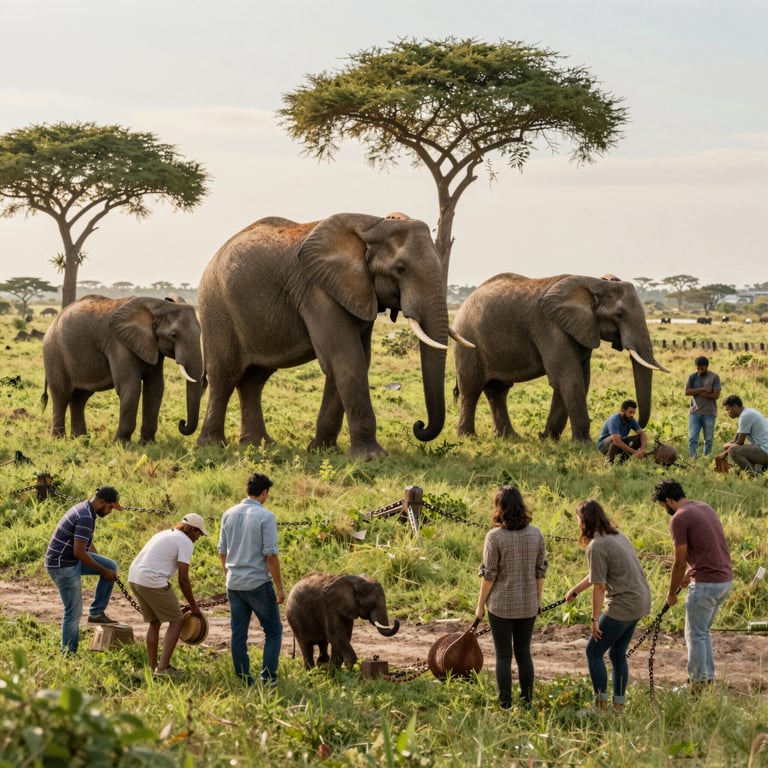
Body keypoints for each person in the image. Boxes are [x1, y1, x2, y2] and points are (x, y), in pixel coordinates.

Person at [565, 499, 651, 712]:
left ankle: (600, 705)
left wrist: (594, 620)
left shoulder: (596, 545)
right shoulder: (617, 535)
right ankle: (618, 706)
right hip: (640, 600)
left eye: (578, 520)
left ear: (584, 521)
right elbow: (597, 573)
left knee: (593, 651)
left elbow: (600, 586)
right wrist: (576, 590)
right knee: (617, 653)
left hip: (623, 603)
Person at [651, 479, 732, 691]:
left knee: (694, 635)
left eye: (663, 505)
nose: (665, 510)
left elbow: (678, 561)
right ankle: (707, 681)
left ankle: (696, 686)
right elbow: (708, 547)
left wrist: (671, 593)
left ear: (669, 500)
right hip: (724, 581)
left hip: (706, 584)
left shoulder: (679, 518)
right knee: (702, 633)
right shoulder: (703, 507)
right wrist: (690, 571)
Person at [475, 486, 548, 709]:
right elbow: (540, 571)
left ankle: (505, 703)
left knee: (503, 656)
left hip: (500, 605)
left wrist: (479, 606)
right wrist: (537, 599)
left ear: (500, 508)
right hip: (527, 604)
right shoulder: (535, 534)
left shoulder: (494, 537)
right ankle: (527, 702)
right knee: (524, 654)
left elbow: (489, 575)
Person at [218, 472, 285, 686]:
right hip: (257, 582)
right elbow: (270, 555)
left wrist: (228, 573)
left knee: (239, 633)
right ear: (264, 493)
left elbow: (222, 551)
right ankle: (268, 677)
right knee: (273, 630)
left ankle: (244, 678)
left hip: (234, 582)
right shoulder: (266, 517)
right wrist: (280, 588)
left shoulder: (228, 514)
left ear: (246, 490)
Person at [128, 513, 208, 677]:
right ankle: (163, 668)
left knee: (154, 622)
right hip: (151, 580)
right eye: (199, 533)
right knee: (177, 620)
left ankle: (152, 666)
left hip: (135, 578)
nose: (199, 537)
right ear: (192, 530)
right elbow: (183, 579)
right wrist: (194, 607)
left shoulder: (165, 533)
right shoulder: (185, 542)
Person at [45, 486, 122, 654]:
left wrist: (100, 563)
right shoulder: (86, 516)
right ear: (102, 502)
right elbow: (78, 552)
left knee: (111, 566)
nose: (110, 512)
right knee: (73, 612)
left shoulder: (87, 509)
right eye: (110, 507)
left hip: (70, 559)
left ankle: (96, 613)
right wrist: (102, 570)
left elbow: (85, 543)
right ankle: (69, 654)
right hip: (62, 565)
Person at [716, 394, 768, 474]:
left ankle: (753, 473)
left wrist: (724, 454)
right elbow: (736, 440)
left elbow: (740, 442)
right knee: (729, 447)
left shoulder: (745, 416)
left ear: (735, 407)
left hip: (765, 451)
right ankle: (760, 469)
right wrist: (726, 446)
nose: (727, 413)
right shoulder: (748, 412)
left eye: (728, 410)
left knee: (733, 451)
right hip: (763, 449)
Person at [685, 356, 721, 457]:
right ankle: (693, 458)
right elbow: (687, 391)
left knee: (708, 439)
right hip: (694, 412)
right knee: (692, 438)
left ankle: (706, 457)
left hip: (709, 412)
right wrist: (703, 389)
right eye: (698, 368)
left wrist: (696, 392)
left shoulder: (714, 377)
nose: (700, 371)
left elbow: (716, 395)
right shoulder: (692, 377)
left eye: (702, 368)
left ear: (707, 366)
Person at [597, 399, 648, 463]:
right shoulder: (614, 420)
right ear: (623, 411)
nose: (632, 414)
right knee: (618, 438)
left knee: (638, 438)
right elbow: (617, 441)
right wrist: (635, 452)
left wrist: (642, 449)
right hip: (604, 446)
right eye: (630, 412)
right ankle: (609, 462)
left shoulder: (631, 419)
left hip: (618, 443)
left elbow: (642, 434)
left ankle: (621, 462)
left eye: (633, 412)